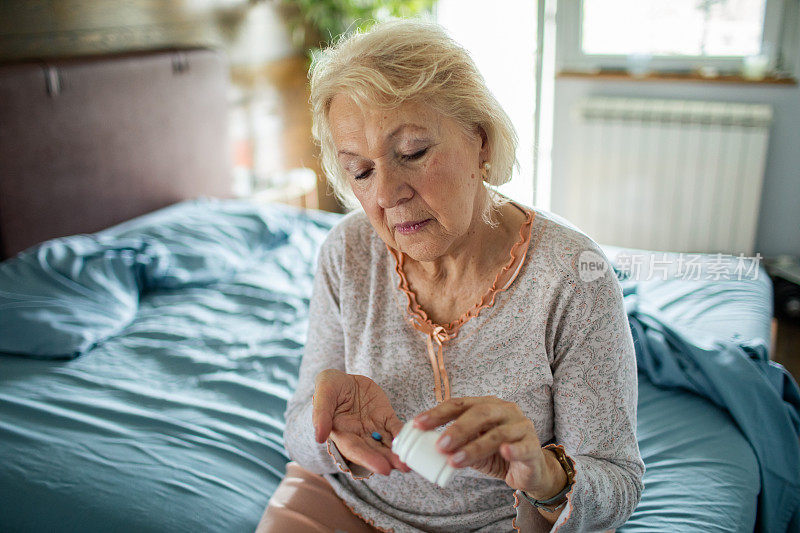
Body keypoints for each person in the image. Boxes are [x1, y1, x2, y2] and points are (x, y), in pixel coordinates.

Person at [257, 18, 644, 533]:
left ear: (480, 141)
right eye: (362, 171)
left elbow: (617, 482)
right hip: (347, 501)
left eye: (413, 152)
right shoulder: (347, 251)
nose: (388, 194)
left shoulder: (574, 277)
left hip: (500, 521)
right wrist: (332, 437)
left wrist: (544, 474)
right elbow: (299, 433)